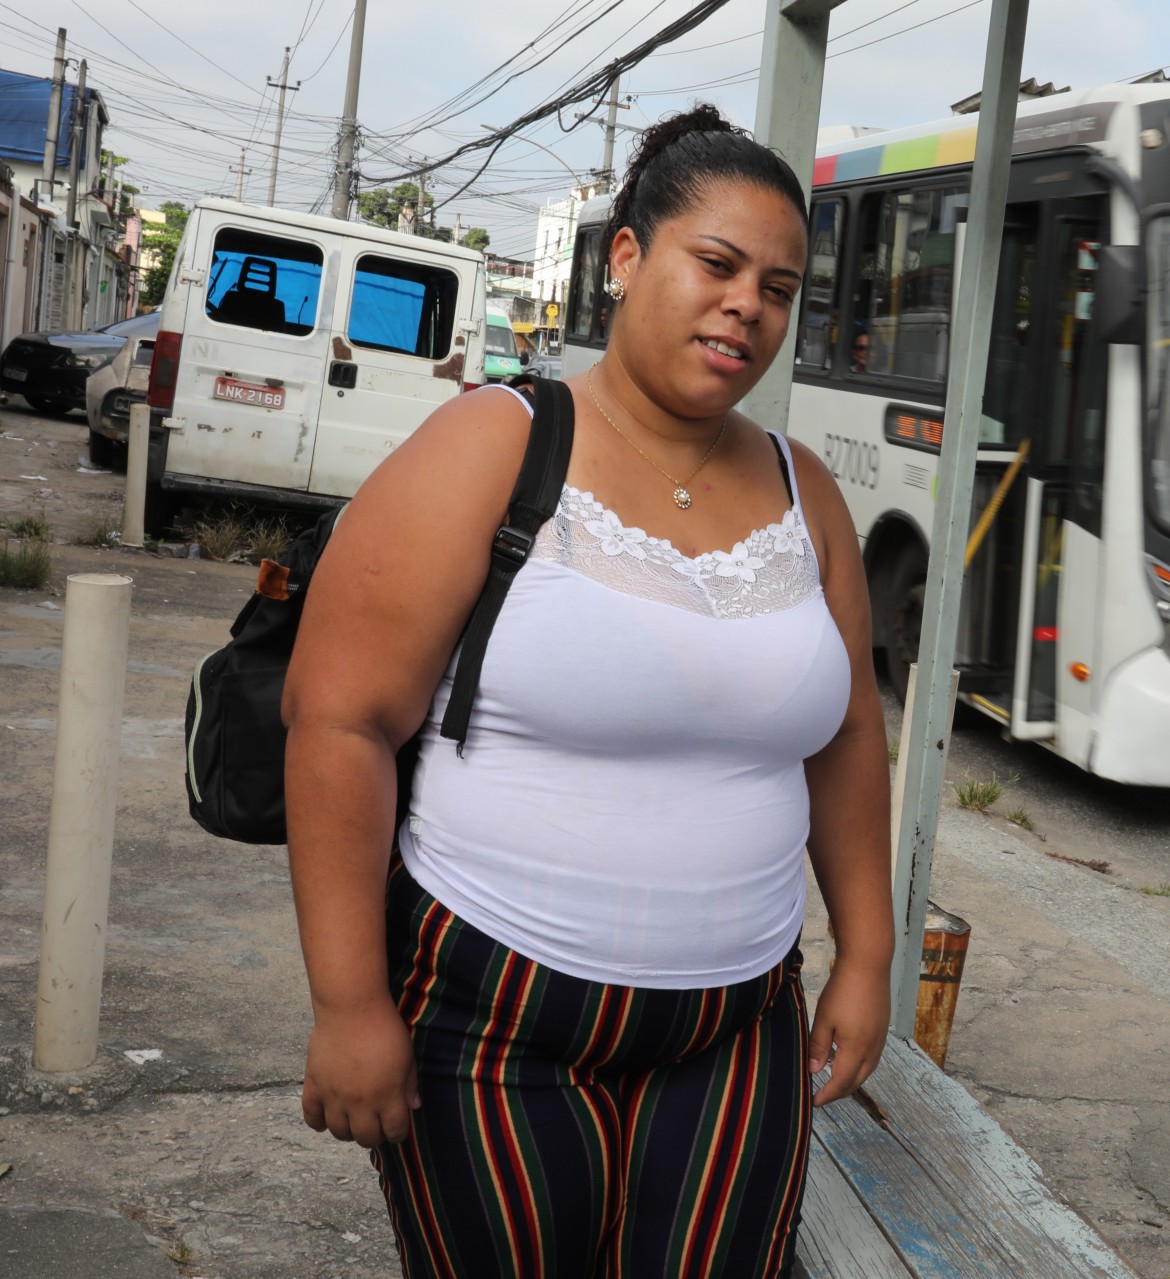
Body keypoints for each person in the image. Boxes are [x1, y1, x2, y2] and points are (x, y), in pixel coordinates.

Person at [282, 104, 894, 1277]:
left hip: (737, 1025)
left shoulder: (803, 489)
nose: (745, 306)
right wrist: (349, 1002)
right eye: (715, 264)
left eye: (776, 286)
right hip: (491, 1016)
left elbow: (849, 731)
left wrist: (866, 952)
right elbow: (338, 717)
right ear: (626, 257)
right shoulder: (495, 445)